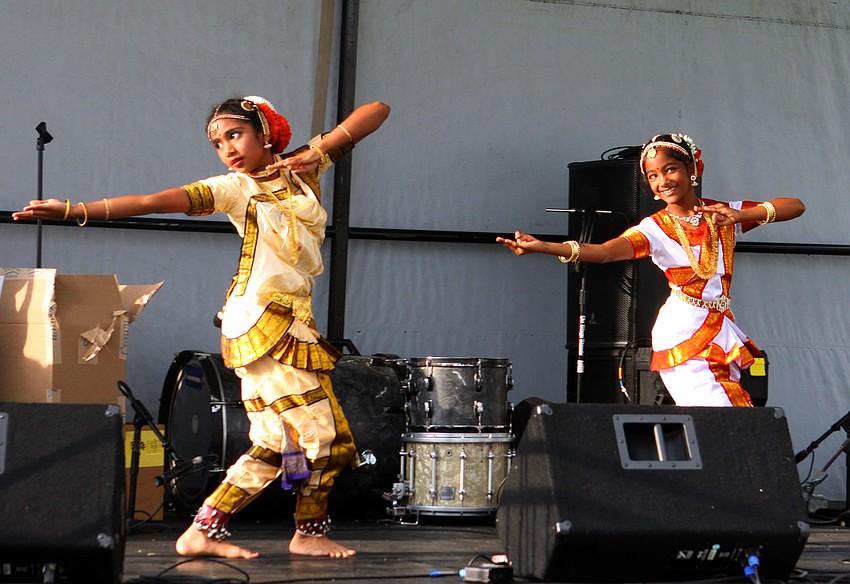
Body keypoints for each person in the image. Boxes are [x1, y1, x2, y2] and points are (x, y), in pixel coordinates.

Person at [14, 96, 391, 559]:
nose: (226, 149)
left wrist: (320, 149)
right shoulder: (235, 188)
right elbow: (154, 201)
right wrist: (76, 210)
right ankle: (308, 532)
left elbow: (377, 109)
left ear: (265, 132)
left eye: (235, 134)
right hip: (262, 321)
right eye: (217, 142)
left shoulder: (304, 172)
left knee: (276, 441)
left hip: (291, 320)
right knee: (328, 437)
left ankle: (204, 531)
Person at [497, 133, 805, 407]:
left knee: (733, 414)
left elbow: (795, 205)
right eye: (653, 175)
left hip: (719, 326)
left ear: (692, 170)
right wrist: (544, 246)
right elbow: (604, 253)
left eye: (670, 169)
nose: (663, 181)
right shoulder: (655, 228)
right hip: (683, 330)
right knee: (723, 414)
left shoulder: (722, 214)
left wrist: (742, 214)